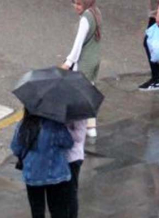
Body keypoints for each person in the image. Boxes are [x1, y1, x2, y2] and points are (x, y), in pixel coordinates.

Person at [10, 110, 73, 218]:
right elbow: (68, 143)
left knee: (37, 210)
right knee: (57, 209)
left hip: (33, 174)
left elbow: (15, 148)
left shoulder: (24, 125)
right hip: (56, 174)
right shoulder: (56, 125)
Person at [61, 0, 102, 138]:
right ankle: (91, 127)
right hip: (94, 60)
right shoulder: (96, 12)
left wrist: (68, 62)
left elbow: (78, 44)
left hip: (84, 62)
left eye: (79, 4)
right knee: (88, 93)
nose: (76, 7)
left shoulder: (85, 19)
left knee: (77, 95)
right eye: (75, 3)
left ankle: (75, 127)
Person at [63, 118, 88, 218]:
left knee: (71, 194)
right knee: (61, 193)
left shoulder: (79, 114)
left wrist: (62, 129)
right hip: (62, 157)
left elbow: (78, 137)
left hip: (73, 158)